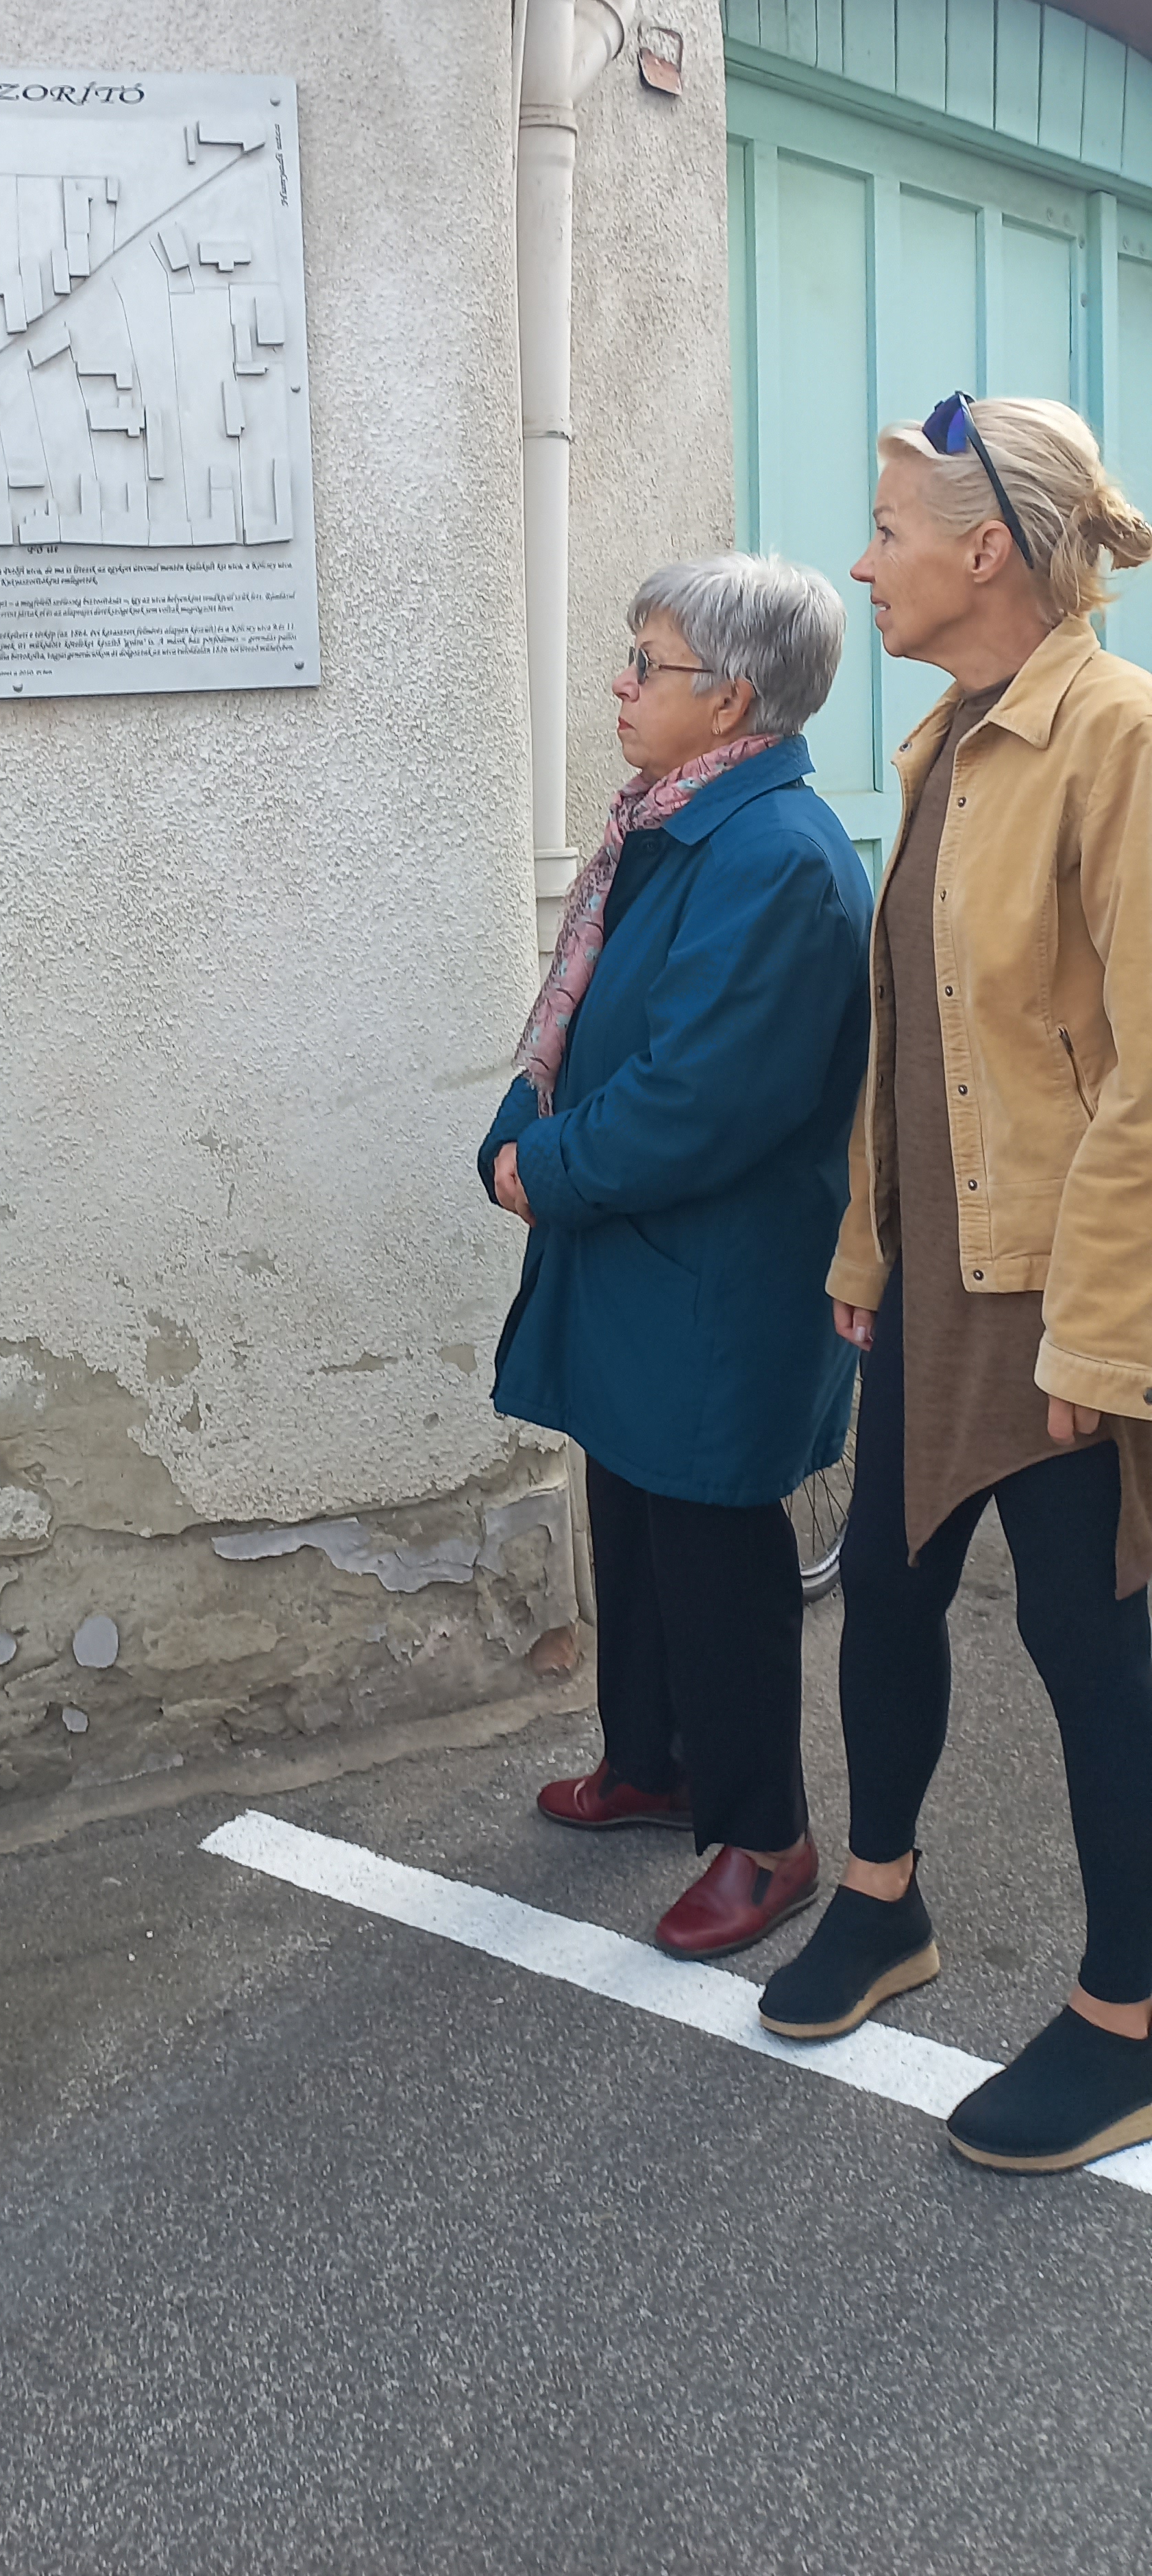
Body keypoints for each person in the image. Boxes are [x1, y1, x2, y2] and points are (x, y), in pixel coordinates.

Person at [759, 394, 1152, 2176]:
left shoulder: (1112, 737)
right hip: (938, 1271)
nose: (862, 564)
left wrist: (1104, 1334)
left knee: (1087, 1645)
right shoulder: (950, 744)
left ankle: (1128, 2011)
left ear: (985, 550)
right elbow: (914, 1044)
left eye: (889, 532)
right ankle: (883, 1898)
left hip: (1059, 1293)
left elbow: (1142, 1069)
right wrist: (868, 1246)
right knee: (890, 1593)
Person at [479, 554, 872, 1957]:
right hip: (645, 1257)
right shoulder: (674, 822)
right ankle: (651, 1761)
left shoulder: (776, 859)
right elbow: (592, 1019)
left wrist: (542, 1167)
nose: (621, 683)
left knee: (715, 1551)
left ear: (735, 698)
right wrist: (521, 1118)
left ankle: (767, 1836)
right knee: (634, 1516)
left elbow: (696, 1099)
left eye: (649, 663)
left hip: (718, 1278)